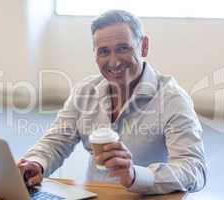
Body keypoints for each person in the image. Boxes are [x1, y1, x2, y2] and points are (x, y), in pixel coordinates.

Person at [18, 10, 206, 194]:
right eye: (104, 52)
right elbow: (56, 141)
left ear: (144, 46)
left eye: (123, 48)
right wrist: (36, 163)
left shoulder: (173, 99)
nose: (114, 62)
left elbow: (194, 169)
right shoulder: (85, 91)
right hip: (96, 195)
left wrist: (135, 175)